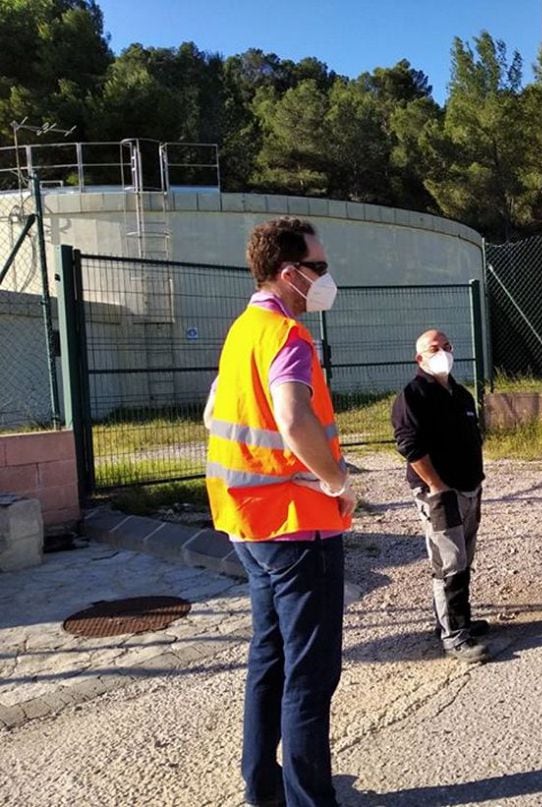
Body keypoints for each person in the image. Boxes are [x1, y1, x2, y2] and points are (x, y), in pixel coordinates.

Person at [204, 217, 355, 806]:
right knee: (310, 675)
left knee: (270, 657)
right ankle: (309, 800)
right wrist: (337, 480)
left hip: (250, 525)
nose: (325, 277)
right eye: (318, 267)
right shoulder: (288, 338)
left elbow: (216, 412)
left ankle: (262, 789)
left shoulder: (243, 330)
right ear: (289, 273)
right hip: (298, 524)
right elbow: (293, 421)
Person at [391, 329, 489, 664]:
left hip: (470, 488)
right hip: (440, 493)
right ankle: (455, 637)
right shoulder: (413, 395)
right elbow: (408, 445)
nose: (443, 352)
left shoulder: (460, 394)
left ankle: (457, 621)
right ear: (420, 358)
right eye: (435, 348)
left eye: (447, 346)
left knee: (464, 558)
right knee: (449, 564)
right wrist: (435, 485)